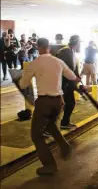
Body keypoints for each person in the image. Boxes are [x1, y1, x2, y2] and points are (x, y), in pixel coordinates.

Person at [18, 38, 81, 176]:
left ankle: (49, 165)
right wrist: (78, 80)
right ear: (49, 47)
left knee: (36, 135)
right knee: (50, 125)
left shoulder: (35, 63)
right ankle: (64, 146)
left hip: (44, 102)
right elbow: (72, 76)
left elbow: (23, 84)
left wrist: (21, 78)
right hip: (59, 102)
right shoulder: (58, 61)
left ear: (38, 47)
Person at [57, 35, 81, 130]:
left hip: (68, 82)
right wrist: (74, 77)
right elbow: (63, 68)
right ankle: (56, 124)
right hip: (63, 82)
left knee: (69, 103)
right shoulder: (65, 52)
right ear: (76, 43)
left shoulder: (71, 51)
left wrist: (77, 76)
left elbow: (73, 67)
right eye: (79, 43)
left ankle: (64, 122)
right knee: (66, 103)